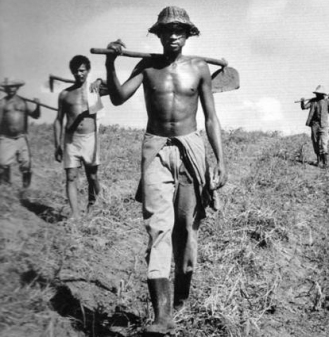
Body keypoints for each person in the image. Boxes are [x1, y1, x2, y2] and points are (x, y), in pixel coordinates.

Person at [104, 6, 227, 335]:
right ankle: (162, 317)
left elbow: (211, 118)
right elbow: (117, 98)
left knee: (185, 230)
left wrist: (220, 160)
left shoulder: (198, 68)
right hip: (156, 148)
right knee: (158, 228)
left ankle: (181, 299)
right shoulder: (147, 66)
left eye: (179, 30)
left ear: (188, 35)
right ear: (158, 34)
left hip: (191, 149)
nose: (173, 35)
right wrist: (110, 62)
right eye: (167, 30)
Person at [54, 55, 106, 218]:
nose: (79, 74)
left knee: (92, 176)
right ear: (71, 72)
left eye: (82, 70)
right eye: (76, 71)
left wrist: (101, 81)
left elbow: (114, 89)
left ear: (88, 70)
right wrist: (57, 145)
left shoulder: (93, 89)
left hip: (90, 138)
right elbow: (58, 120)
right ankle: (75, 215)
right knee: (71, 176)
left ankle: (97, 203)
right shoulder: (65, 94)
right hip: (71, 140)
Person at [0, 78, 40, 187]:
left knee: (26, 163)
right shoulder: (2, 103)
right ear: (6, 89)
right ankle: (5, 187)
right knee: (3, 163)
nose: (11, 89)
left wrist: (38, 105)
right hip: (6, 137)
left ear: (17, 88)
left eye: (13, 86)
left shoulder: (23, 102)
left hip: (21, 137)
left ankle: (25, 189)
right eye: (9, 87)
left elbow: (36, 115)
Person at [300, 85, 329, 168]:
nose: (317, 95)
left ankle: (325, 163)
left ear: (322, 94)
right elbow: (304, 107)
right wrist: (302, 102)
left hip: (324, 125)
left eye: (318, 93)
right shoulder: (313, 101)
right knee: (315, 143)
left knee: (323, 144)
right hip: (314, 125)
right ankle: (318, 160)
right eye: (316, 93)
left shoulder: (328, 102)